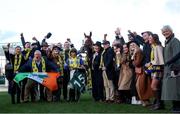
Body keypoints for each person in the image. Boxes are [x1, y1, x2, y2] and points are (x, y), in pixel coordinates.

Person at [161, 25, 180, 112]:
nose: (165, 33)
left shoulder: (174, 41)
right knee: (171, 88)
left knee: (175, 87)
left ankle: (177, 107)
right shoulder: (167, 42)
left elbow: (178, 54)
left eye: (166, 31)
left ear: (171, 31)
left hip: (174, 68)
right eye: (163, 32)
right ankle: (174, 106)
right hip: (168, 68)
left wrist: (174, 66)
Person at [146, 34, 164, 110]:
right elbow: (154, 59)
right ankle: (158, 103)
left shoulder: (158, 47)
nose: (149, 39)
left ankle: (159, 104)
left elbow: (161, 61)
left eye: (150, 38)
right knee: (156, 87)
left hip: (158, 69)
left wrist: (150, 64)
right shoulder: (153, 47)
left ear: (154, 39)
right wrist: (150, 65)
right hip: (154, 68)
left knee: (154, 86)